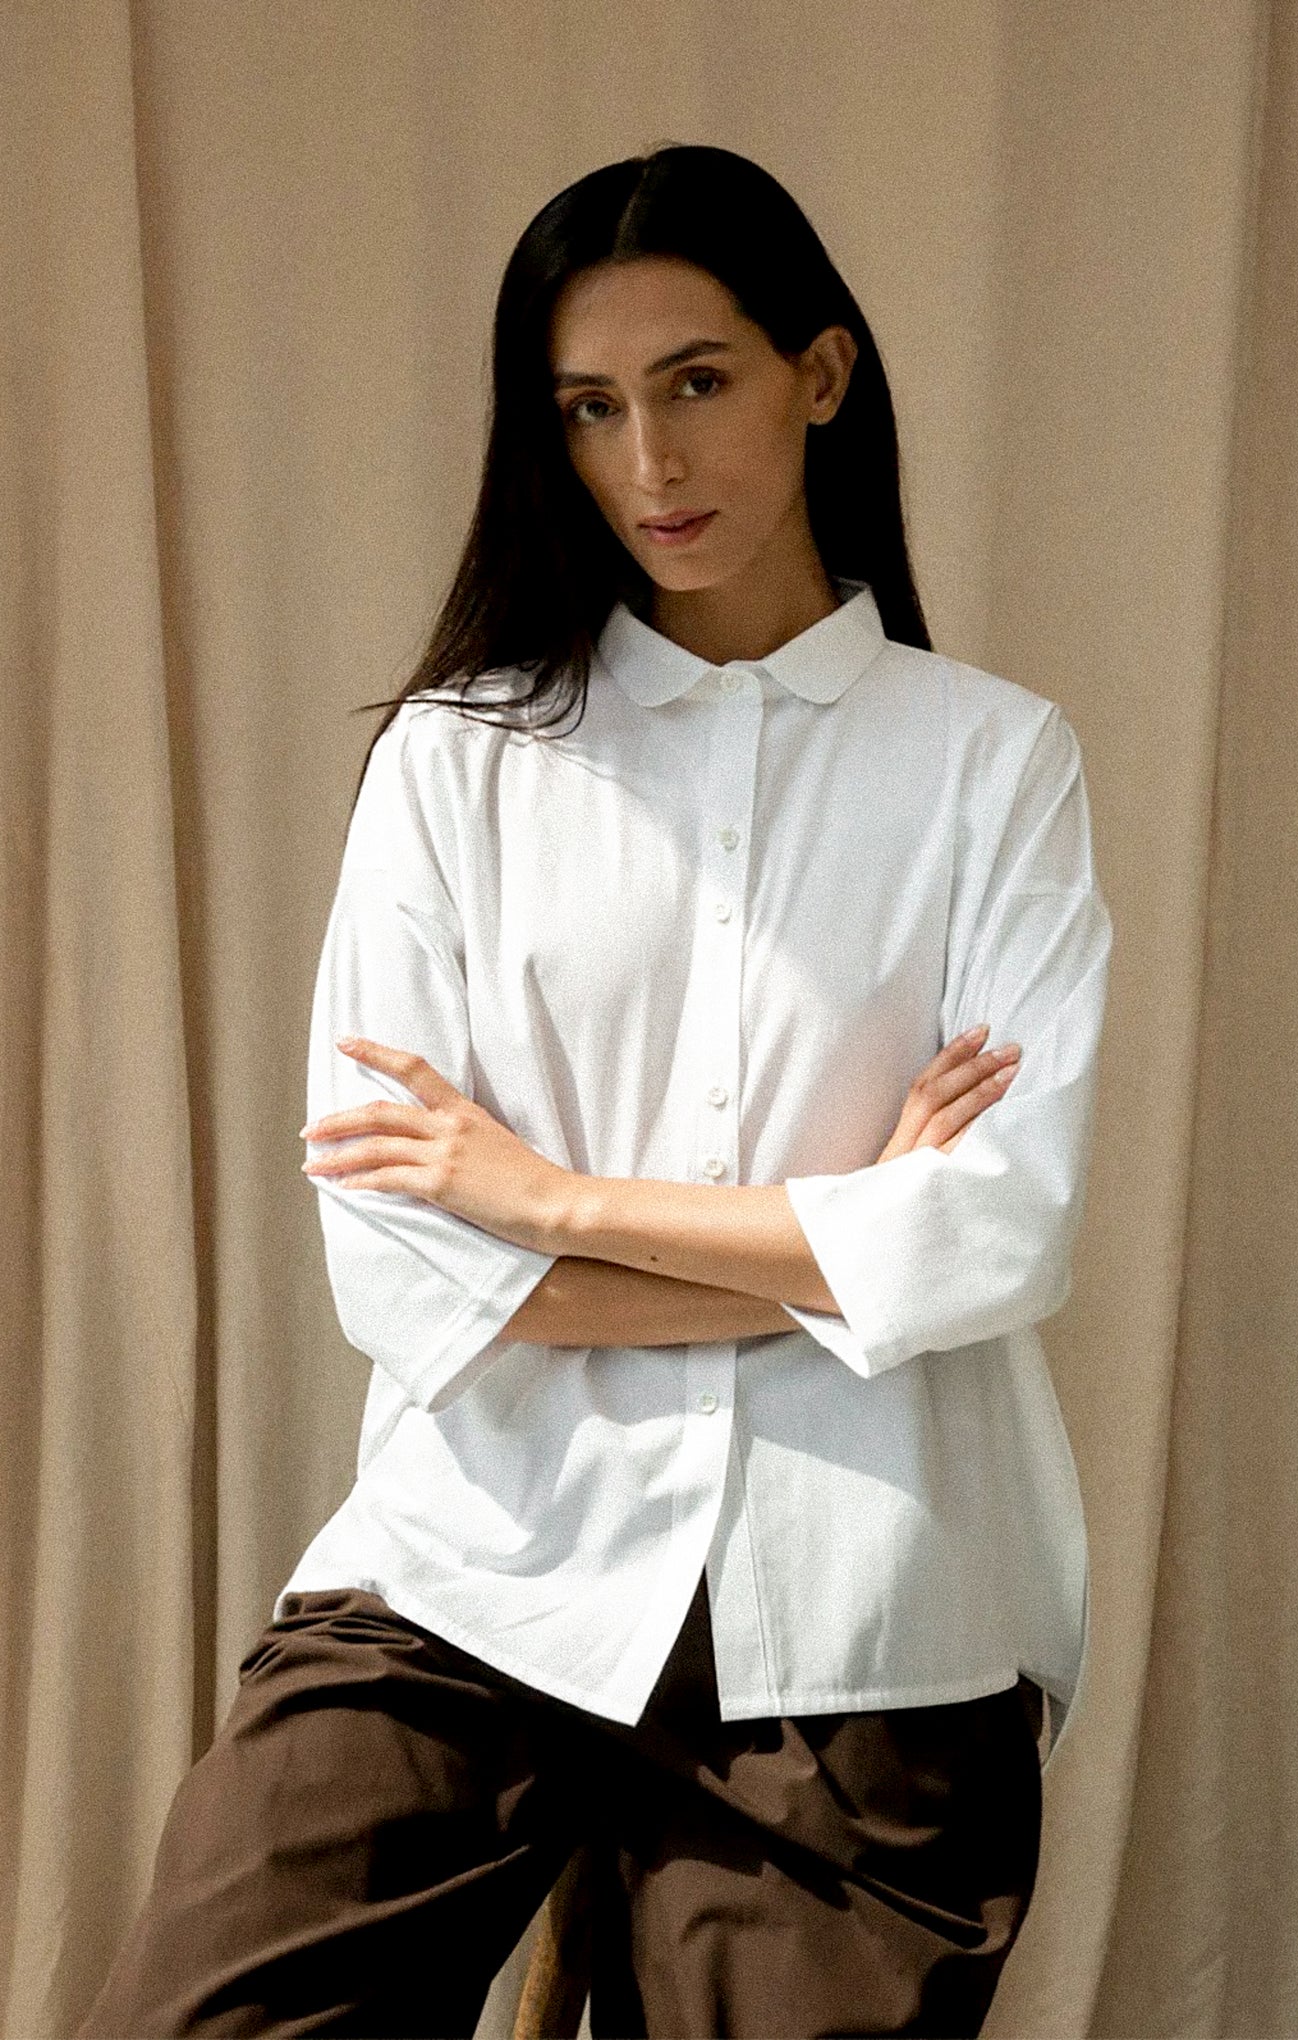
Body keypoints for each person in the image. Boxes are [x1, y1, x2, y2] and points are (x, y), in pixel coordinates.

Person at [79, 142, 1112, 2040]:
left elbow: (998, 1232)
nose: (649, 460)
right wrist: (834, 1252)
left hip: (870, 1602)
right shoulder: (458, 765)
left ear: (820, 372)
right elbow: (398, 1267)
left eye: (698, 382)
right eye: (589, 407)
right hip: (482, 1562)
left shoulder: (993, 765)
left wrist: (544, 1202)